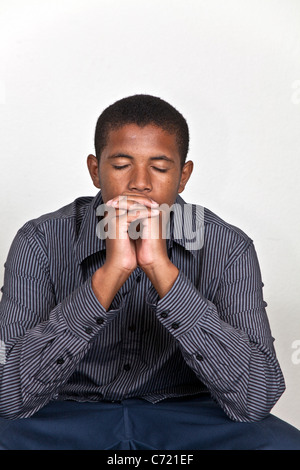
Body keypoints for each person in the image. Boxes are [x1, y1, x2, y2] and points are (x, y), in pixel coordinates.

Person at [0, 94, 299, 450]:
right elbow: (8, 396)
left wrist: (163, 272)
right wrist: (111, 274)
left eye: (159, 168)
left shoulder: (229, 246)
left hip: (188, 416)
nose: (140, 183)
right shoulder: (40, 240)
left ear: (183, 175)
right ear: (95, 170)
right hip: (66, 414)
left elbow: (256, 399)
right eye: (122, 165)